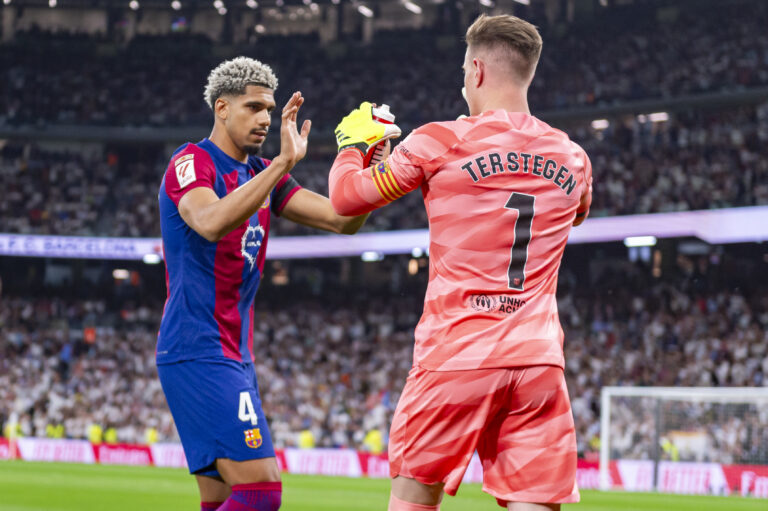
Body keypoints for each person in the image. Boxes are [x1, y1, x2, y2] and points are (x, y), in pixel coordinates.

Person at [328, 14, 592, 511]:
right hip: (537, 361)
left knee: (414, 496)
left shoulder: (438, 140)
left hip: (457, 354)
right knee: (533, 503)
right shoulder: (573, 155)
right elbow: (577, 212)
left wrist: (354, 148)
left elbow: (345, 200)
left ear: (476, 70)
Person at [156, 56, 370, 511]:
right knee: (261, 492)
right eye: (253, 107)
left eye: (270, 110)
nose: (265, 120)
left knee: (221, 499)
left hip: (234, 354)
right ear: (221, 109)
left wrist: (370, 170)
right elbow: (210, 221)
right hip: (198, 348)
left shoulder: (260, 175)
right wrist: (281, 164)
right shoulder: (190, 163)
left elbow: (340, 220)